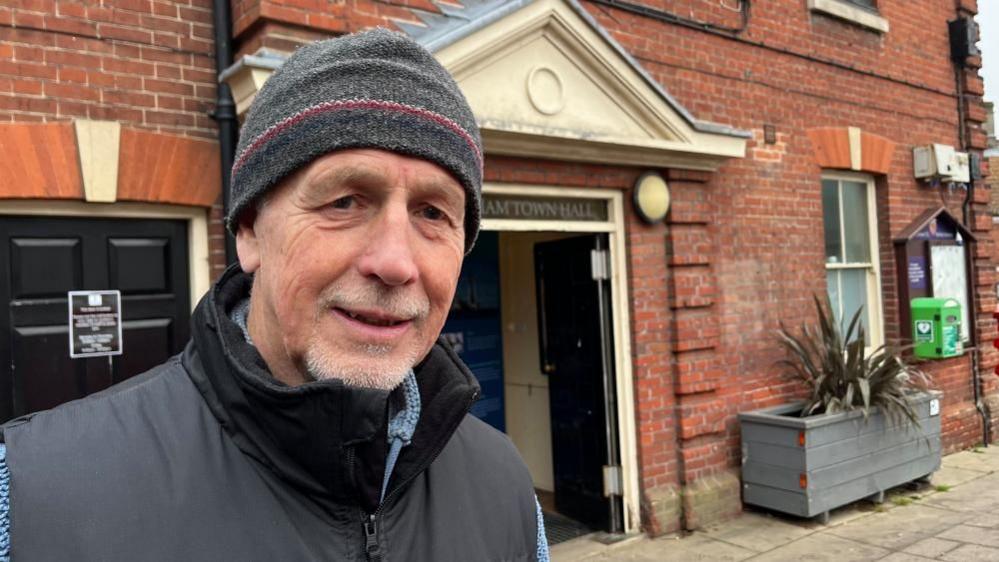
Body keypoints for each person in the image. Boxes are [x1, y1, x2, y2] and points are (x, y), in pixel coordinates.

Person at [0, 28, 549, 562]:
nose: (395, 262)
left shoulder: (504, 485)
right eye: (344, 201)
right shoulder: (31, 500)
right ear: (249, 231)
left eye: (433, 213)